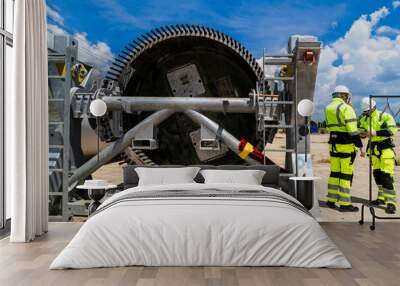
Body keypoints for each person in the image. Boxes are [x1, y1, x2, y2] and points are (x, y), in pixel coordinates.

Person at [325, 85, 363, 212]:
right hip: (346, 145)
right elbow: (352, 131)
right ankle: (345, 204)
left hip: (333, 145)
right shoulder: (346, 108)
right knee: (346, 174)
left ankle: (331, 199)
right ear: (344, 95)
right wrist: (360, 146)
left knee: (335, 172)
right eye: (347, 96)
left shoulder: (328, 107)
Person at [358, 97, 397, 214]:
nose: (367, 113)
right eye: (365, 112)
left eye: (368, 111)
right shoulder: (364, 119)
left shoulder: (384, 116)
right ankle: (381, 199)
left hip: (385, 150)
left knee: (386, 177)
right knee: (378, 176)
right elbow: (361, 131)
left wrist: (377, 133)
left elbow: (392, 130)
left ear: (373, 107)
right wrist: (363, 134)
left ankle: (391, 203)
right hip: (374, 150)